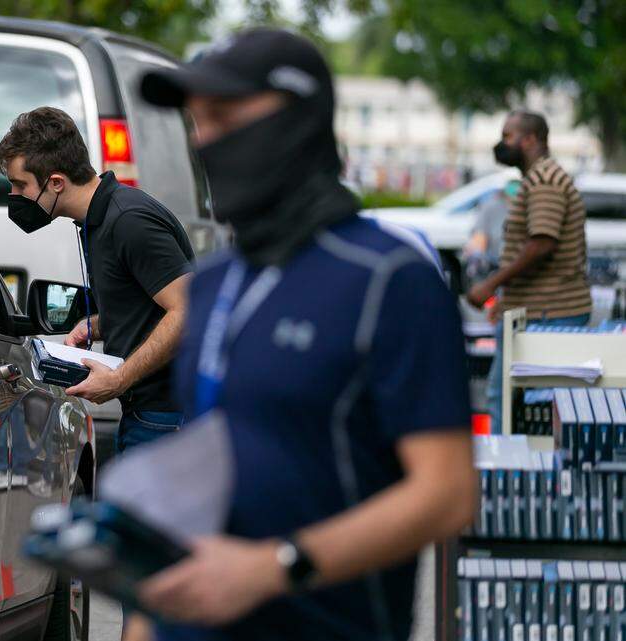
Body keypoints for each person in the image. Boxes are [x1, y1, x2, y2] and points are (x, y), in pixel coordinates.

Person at [123, 28, 477, 640]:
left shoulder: (391, 280)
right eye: (198, 122)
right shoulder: (210, 283)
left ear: (300, 119)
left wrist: (274, 567)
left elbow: (446, 492)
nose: (206, 139)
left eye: (225, 116)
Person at [0, 106, 195, 452]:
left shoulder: (130, 221)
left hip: (167, 420)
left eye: (19, 185)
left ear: (55, 183)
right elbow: (148, 304)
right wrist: (99, 325)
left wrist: (118, 379)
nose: (13, 196)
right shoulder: (96, 221)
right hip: (145, 414)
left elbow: (189, 309)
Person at [466, 111, 591, 431]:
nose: (502, 144)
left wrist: (490, 286)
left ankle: (506, 476)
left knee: (504, 401)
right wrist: (508, 301)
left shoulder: (544, 181)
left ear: (531, 139)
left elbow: (541, 243)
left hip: (550, 312)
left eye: (508, 136)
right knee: (524, 405)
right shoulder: (539, 178)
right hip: (541, 310)